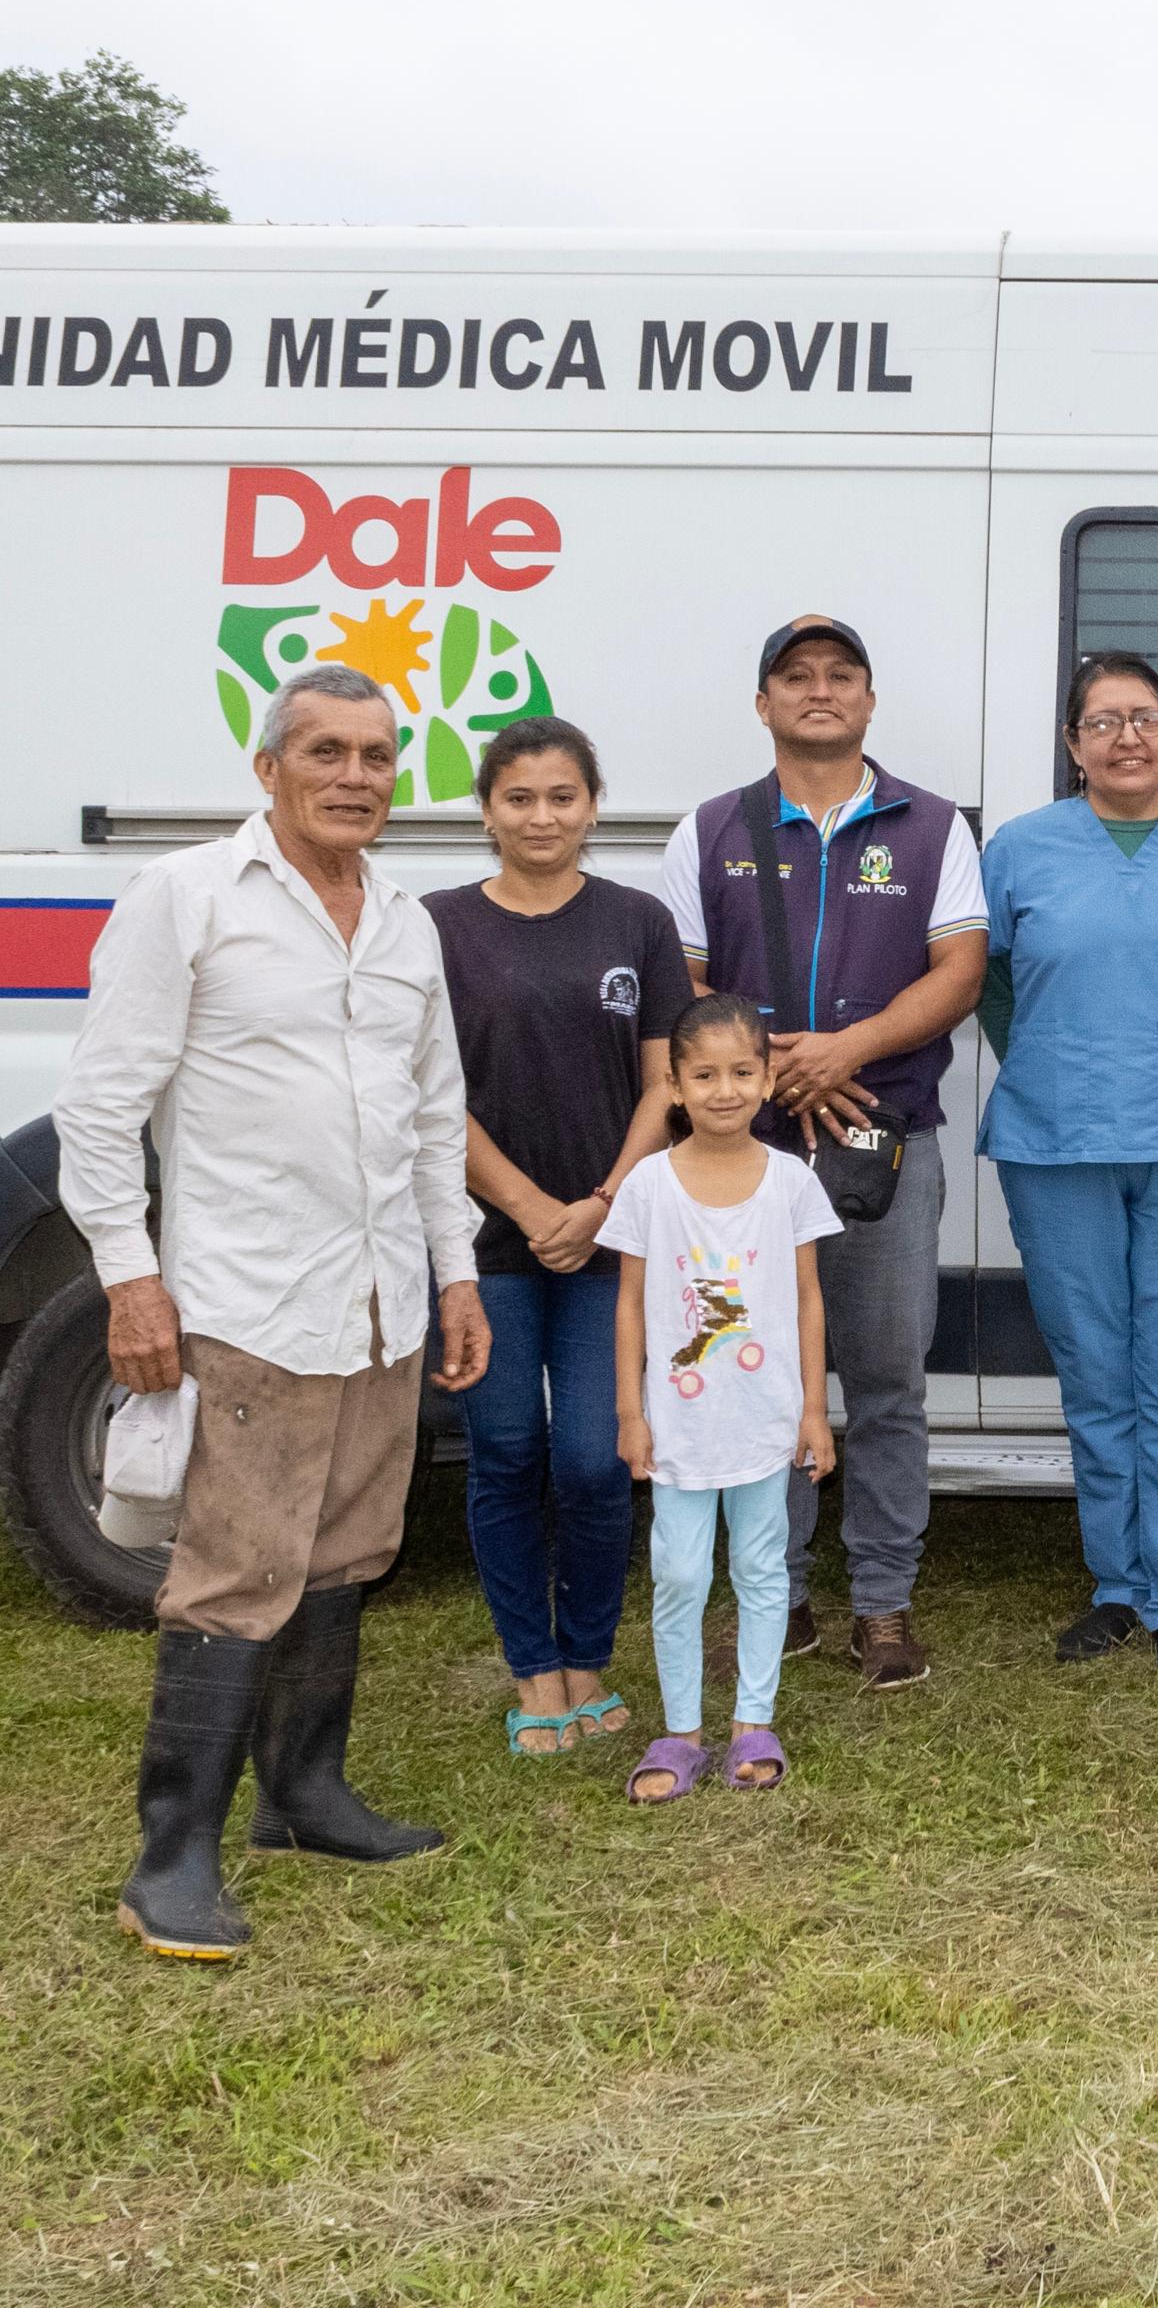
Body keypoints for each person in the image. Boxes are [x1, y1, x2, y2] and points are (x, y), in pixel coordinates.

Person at [53, 660, 487, 1963]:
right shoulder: (187, 898)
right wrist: (131, 1277)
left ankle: (304, 1796)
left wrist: (455, 1271)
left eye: (376, 755)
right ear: (268, 769)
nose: (355, 777)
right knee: (238, 1569)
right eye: (326, 752)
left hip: (380, 1303)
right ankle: (169, 1858)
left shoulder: (404, 920)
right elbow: (100, 1105)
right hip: (250, 1299)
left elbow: (434, 1117)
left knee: (345, 1552)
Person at [659, 615, 984, 1692]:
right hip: (741, 1152)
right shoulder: (709, 827)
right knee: (758, 1372)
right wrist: (768, 1068)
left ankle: (883, 1603)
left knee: (886, 1380)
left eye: (842, 674)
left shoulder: (932, 827)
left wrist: (847, 1049)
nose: (819, 690)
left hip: (881, 1141)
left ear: (869, 700)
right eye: (795, 676)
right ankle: (779, 1592)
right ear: (763, 704)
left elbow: (960, 972)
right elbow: (682, 983)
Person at [979, 654, 1158, 1673]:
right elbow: (988, 981)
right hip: (1055, 1142)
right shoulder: (1018, 849)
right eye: (1102, 721)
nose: (1127, 737)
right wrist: (1055, 1063)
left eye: (1145, 717)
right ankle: (1117, 1584)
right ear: (1073, 745)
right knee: (1096, 1370)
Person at [425, 718, 686, 1758]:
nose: (542, 817)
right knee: (504, 1451)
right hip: (482, 1245)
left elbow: (664, 1083)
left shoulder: (638, 921)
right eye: (520, 797)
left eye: (562, 796)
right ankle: (532, 1667)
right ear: (487, 809)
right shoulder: (437, 926)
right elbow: (427, 1096)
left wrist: (604, 1202)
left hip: (608, 1241)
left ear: (593, 806)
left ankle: (587, 1655)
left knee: (592, 1457)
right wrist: (534, 1210)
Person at [601, 996, 839, 1801]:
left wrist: (813, 1410)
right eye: (704, 1075)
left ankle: (752, 1722)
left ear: (769, 1080)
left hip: (764, 1421)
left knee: (761, 1566)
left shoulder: (790, 1182)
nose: (725, 1090)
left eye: (742, 1072)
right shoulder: (647, 1186)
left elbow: (807, 1299)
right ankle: (680, 1732)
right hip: (678, 1427)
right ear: (673, 1086)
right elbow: (629, 1305)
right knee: (678, 1572)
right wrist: (631, 1412)